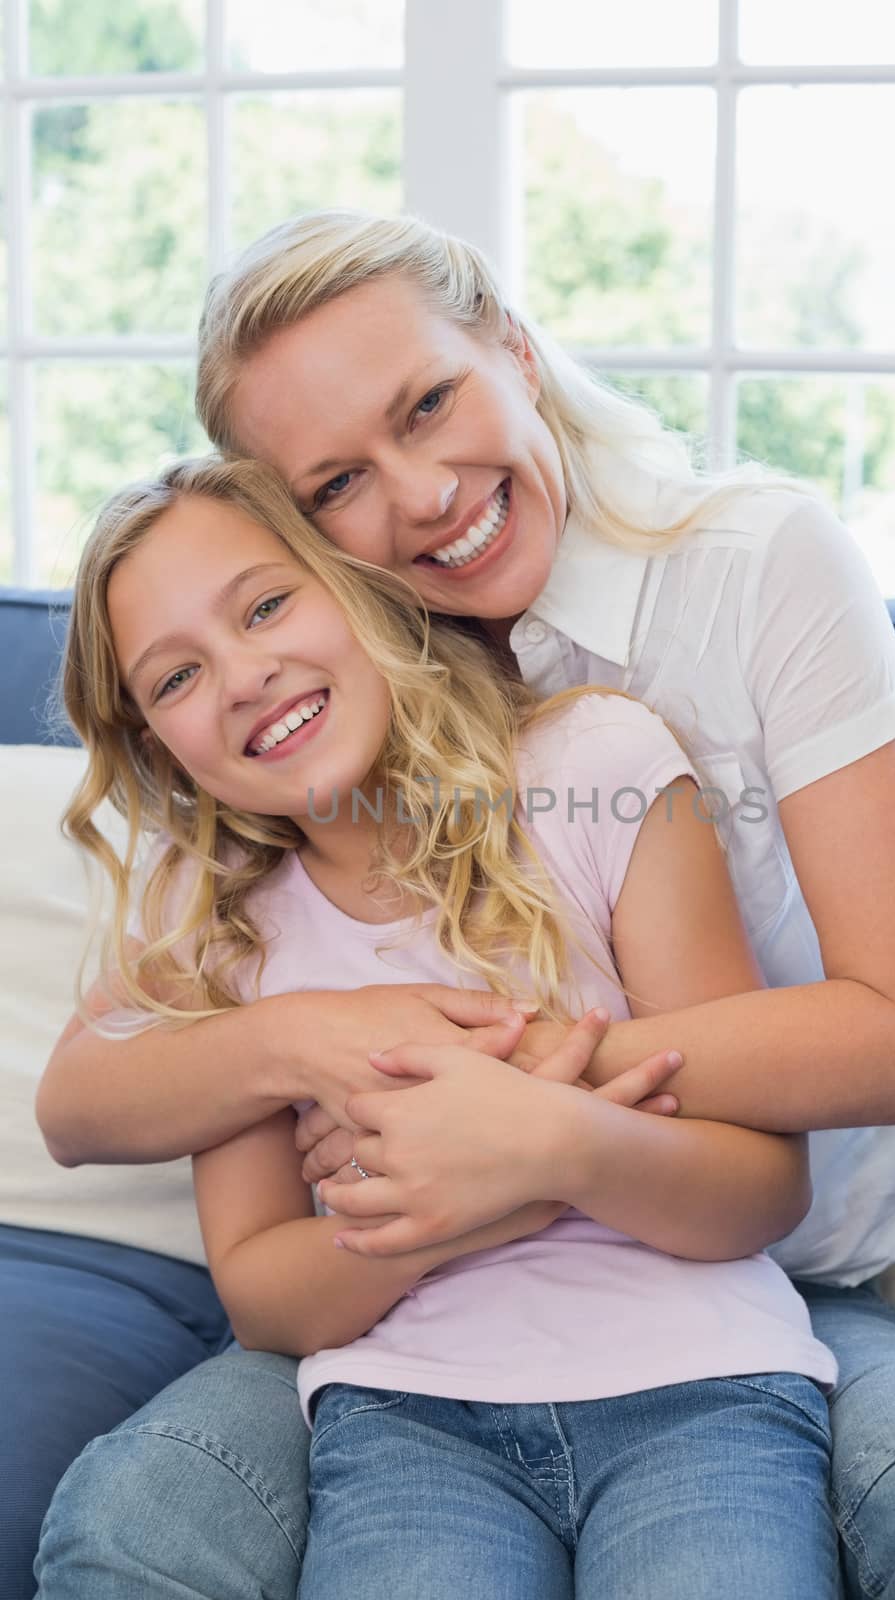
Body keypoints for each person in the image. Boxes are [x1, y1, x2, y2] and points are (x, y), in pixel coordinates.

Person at [34, 211, 895, 1599]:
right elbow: (92, 1099)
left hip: (751, 1280)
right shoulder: (284, 758)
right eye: (338, 481)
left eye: (430, 403)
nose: (414, 497)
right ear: (309, 531)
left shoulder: (718, 600)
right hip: (424, 1337)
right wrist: (314, 1041)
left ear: (513, 349)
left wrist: (514, 1110)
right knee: (141, 1521)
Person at [53, 453, 843, 1598]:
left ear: (356, 584)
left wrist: (549, 1144)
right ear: (153, 741)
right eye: (175, 678)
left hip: (705, 1380)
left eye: (266, 604)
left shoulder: (595, 766)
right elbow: (263, 1288)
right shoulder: (219, 921)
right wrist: (452, 1212)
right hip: (404, 1416)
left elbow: (762, 1187)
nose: (241, 676)